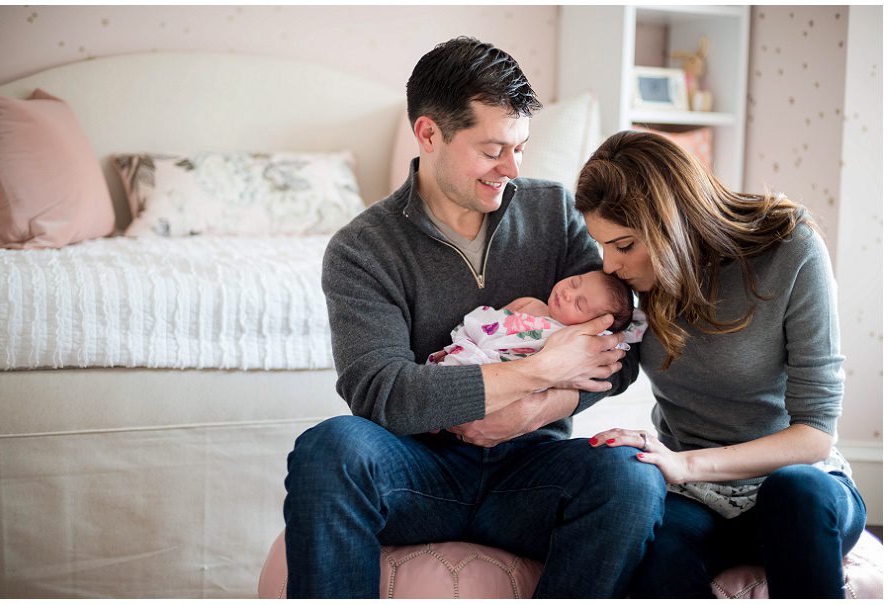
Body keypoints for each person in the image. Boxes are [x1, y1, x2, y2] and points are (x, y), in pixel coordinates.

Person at [283, 37, 666, 598]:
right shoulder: (362, 249)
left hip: (531, 468)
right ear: (429, 134)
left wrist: (535, 409)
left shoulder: (554, 212)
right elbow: (380, 391)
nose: (511, 168)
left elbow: (622, 346)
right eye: (492, 150)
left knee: (632, 476)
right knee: (329, 449)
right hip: (418, 471)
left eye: (520, 148)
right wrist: (532, 373)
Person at [575, 130, 866, 598]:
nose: (609, 265)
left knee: (794, 494)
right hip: (699, 500)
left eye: (623, 245)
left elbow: (815, 434)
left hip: (795, 486)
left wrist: (684, 463)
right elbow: (590, 364)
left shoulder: (791, 249)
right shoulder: (631, 281)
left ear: (672, 225)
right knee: (657, 559)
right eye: (602, 244)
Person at [428, 269, 646, 366]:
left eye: (579, 304)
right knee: (453, 365)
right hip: (480, 351)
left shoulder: (572, 340)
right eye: (575, 282)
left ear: (592, 325)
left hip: (503, 374)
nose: (568, 293)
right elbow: (490, 323)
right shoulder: (530, 303)